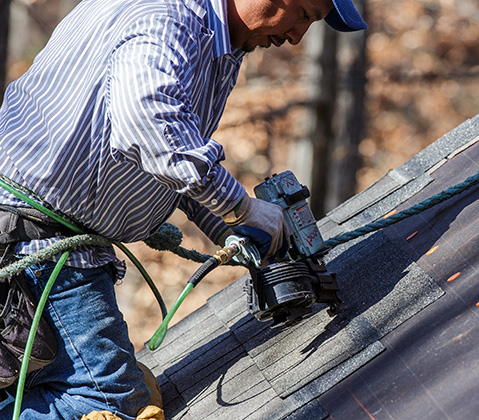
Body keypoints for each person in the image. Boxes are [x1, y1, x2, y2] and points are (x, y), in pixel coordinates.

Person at [0, 0, 366, 417]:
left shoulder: (216, 42)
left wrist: (228, 225)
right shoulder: (168, 19)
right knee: (111, 405)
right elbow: (148, 124)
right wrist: (240, 206)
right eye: (303, 13)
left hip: (35, 236)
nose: (299, 35)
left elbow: (168, 153)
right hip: (36, 244)